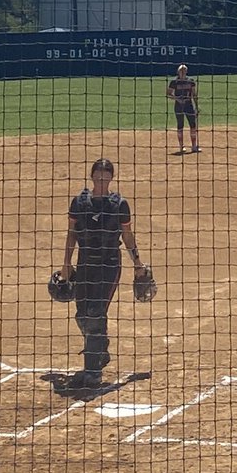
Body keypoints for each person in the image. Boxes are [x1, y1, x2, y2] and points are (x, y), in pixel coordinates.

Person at [58, 158, 149, 389]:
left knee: (96, 312)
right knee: (82, 315)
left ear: (111, 178)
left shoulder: (119, 205)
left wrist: (137, 263)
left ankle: (93, 373)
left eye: (106, 174)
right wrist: (66, 264)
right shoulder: (79, 203)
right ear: (92, 176)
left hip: (109, 264)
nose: (102, 178)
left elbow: (127, 236)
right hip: (85, 262)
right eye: (98, 173)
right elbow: (71, 234)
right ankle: (99, 352)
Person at [166, 63, 200, 154]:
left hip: (189, 105)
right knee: (180, 125)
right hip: (179, 106)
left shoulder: (191, 81)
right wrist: (177, 99)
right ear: (178, 72)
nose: (183, 72)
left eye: (184, 70)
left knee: (193, 125)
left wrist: (196, 106)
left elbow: (194, 94)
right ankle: (181, 146)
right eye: (181, 70)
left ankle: (194, 146)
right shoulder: (174, 82)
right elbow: (168, 94)